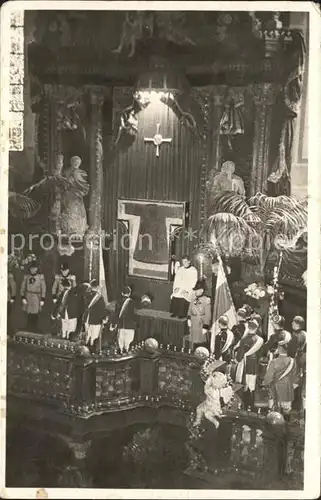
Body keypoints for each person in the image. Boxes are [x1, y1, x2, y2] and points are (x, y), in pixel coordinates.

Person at [262, 332, 299, 419]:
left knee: (274, 413)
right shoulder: (292, 361)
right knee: (286, 412)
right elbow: (296, 380)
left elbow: (268, 379)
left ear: (278, 348)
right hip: (287, 392)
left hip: (275, 391)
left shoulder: (274, 362)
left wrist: (264, 384)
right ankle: (286, 427)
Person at [235, 319, 263, 412]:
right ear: (256, 328)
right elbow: (261, 354)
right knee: (253, 385)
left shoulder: (244, 339)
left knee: (245, 384)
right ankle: (252, 406)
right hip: (254, 364)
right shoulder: (259, 340)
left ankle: (245, 406)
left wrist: (237, 359)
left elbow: (239, 356)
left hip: (245, 364)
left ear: (248, 327)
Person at [60, 155, 89, 237]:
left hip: (77, 197)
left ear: (79, 163)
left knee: (78, 212)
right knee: (69, 211)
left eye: (77, 162)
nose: (76, 163)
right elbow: (64, 183)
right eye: (74, 162)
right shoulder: (66, 172)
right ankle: (68, 229)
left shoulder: (82, 173)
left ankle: (78, 229)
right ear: (71, 162)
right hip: (69, 196)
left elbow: (84, 186)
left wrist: (80, 192)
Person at [20, 259, 46, 332]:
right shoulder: (26, 276)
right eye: (31, 268)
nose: (33, 270)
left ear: (37, 269)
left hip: (37, 297)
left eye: (34, 268)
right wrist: (23, 297)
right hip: (28, 296)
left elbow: (43, 288)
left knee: (35, 313)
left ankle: (35, 327)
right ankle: (28, 327)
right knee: (28, 312)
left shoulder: (40, 277)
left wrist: (43, 299)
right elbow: (22, 287)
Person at [83, 279, 108, 352]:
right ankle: (92, 352)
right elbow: (102, 310)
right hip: (96, 320)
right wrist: (104, 318)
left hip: (87, 318)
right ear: (97, 287)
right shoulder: (100, 298)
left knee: (87, 335)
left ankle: (85, 351)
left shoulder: (86, 295)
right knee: (94, 337)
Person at [288, 316, 306, 411]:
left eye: (293, 322)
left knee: (294, 383)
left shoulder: (297, 335)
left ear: (297, 324)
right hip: (299, 360)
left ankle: (292, 407)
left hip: (296, 361)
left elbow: (291, 350)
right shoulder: (303, 333)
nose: (291, 323)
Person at [110, 285, 136, 353]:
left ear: (122, 293)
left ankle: (121, 351)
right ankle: (127, 351)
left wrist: (113, 324)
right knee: (128, 340)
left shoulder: (118, 302)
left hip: (121, 325)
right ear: (130, 293)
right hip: (130, 325)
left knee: (120, 340)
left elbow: (116, 314)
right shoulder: (132, 302)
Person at [187, 279, 211, 351]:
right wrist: (189, 318)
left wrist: (205, 326)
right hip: (193, 324)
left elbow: (208, 314)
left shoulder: (206, 301)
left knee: (201, 343)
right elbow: (189, 309)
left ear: (201, 290)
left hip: (201, 325)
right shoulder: (193, 299)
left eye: (197, 290)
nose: (195, 292)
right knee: (194, 343)